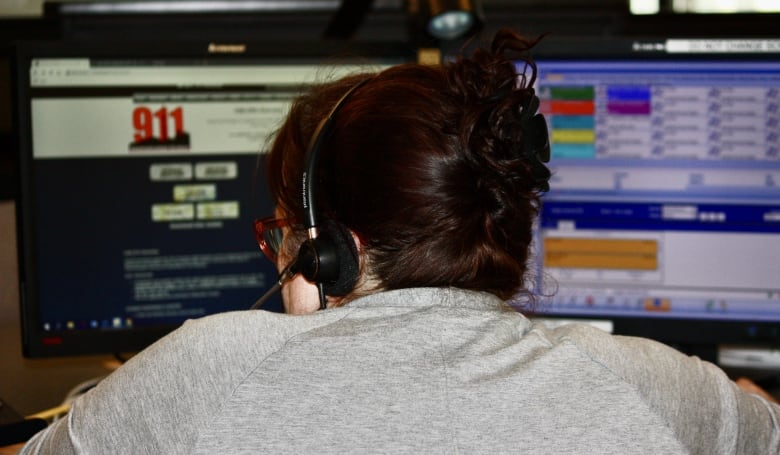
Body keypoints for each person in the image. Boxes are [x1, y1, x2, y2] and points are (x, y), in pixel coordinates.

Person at [19, 28, 780, 454]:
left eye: (283, 234)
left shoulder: (209, 367)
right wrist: (732, 406)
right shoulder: (656, 385)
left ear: (331, 252)